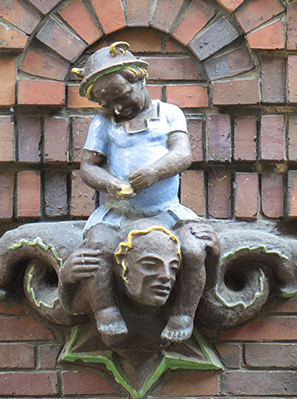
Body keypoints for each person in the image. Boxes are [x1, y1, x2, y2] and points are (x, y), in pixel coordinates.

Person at [62, 44, 216, 345]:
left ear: (139, 79)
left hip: (167, 210)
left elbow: (182, 154)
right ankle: (106, 310)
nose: (117, 108)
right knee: (97, 251)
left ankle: (183, 313)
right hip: (120, 213)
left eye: (121, 97)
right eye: (108, 103)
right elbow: (89, 167)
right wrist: (109, 183)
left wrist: (155, 172)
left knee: (194, 251)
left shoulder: (169, 114)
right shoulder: (103, 124)